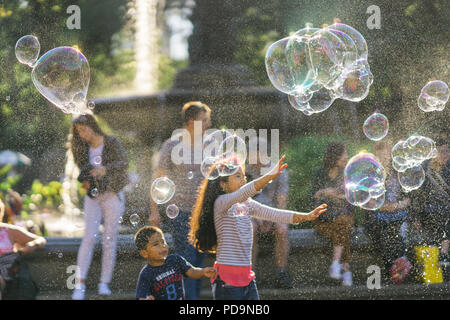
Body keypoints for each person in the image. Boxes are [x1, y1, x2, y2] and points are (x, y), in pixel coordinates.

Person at [189, 155, 327, 300]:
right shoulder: (221, 203)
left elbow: (275, 214)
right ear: (223, 184)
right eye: (237, 176)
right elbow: (246, 191)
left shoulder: (246, 204)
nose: (243, 180)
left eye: (243, 176)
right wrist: (270, 175)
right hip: (227, 279)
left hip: (247, 277)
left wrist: (306, 216)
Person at [149, 101, 211, 300]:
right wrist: (154, 211)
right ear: (192, 122)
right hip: (180, 212)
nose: (209, 124)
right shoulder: (171, 146)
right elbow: (157, 181)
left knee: (199, 262)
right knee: (189, 261)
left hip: (204, 213)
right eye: (205, 120)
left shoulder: (210, 146)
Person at [70, 114, 129, 300]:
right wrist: (85, 180)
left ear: (92, 126)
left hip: (112, 194)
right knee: (88, 237)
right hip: (93, 196)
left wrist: (106, 169)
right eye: (78, 131)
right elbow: (83, 171)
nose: (81, 134)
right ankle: (79, 285)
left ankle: (104, 283)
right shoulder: (80, 147)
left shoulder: (110, 141)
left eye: (83, 129)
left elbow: (124, 162)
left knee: (109, 240)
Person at [246, 140, 292, 288]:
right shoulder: (246, 172)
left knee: (282, 229)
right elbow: (242, 202)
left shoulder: (279, 172)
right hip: (251, 215)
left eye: (251, 155)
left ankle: (281, 273)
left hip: (273, 213)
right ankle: (249, 274)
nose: (249, 158)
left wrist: (272, 219)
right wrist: (256, 217)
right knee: (249, 229)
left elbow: (281, 202)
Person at [364, 141, 412, 284]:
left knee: (394, 226)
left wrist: (396, 206)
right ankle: (400, 261)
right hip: (377, 219)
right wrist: (386, 207)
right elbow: (370, 203)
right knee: (387, 228)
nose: (385, 159)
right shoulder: (371, 175)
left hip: (396, 216)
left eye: (387, 155)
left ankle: (393, 267)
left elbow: (408, 199)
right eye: (381, 156)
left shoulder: (398, 173)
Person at [310, 141, 355, 286]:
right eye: (344, 153)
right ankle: (345, 269)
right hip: (323, 218)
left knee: (342, 222)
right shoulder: (319, 173)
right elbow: (312, 196)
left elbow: (353, 198)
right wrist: (325, 192)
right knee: (343, 230)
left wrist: (336, 196)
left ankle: (336, 264)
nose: (346, 157)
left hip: (344, 215)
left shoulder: (347, 173)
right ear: (335, 156)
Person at [134, 225, 217, 300]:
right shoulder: (146, 273)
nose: (162, 246)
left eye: (163, 241)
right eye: (156, 244)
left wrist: (203, 271)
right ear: (144, 253)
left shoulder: (175, 260)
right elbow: (141, 296)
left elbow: (192, 271)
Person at [408, 136, 449, 278]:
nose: (447, 155)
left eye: (448, 151)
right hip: (428, 211)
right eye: (443, 152)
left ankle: (443, 254)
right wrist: (415, 217)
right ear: (434, 153)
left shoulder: (448, 170)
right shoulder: (424, 172)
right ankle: (443, 254)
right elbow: (415, 196)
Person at [0, 199, 46, 300]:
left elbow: (40, 239)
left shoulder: (10, 231)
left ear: (1, 212)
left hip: (5, 268)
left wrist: (32, 245)